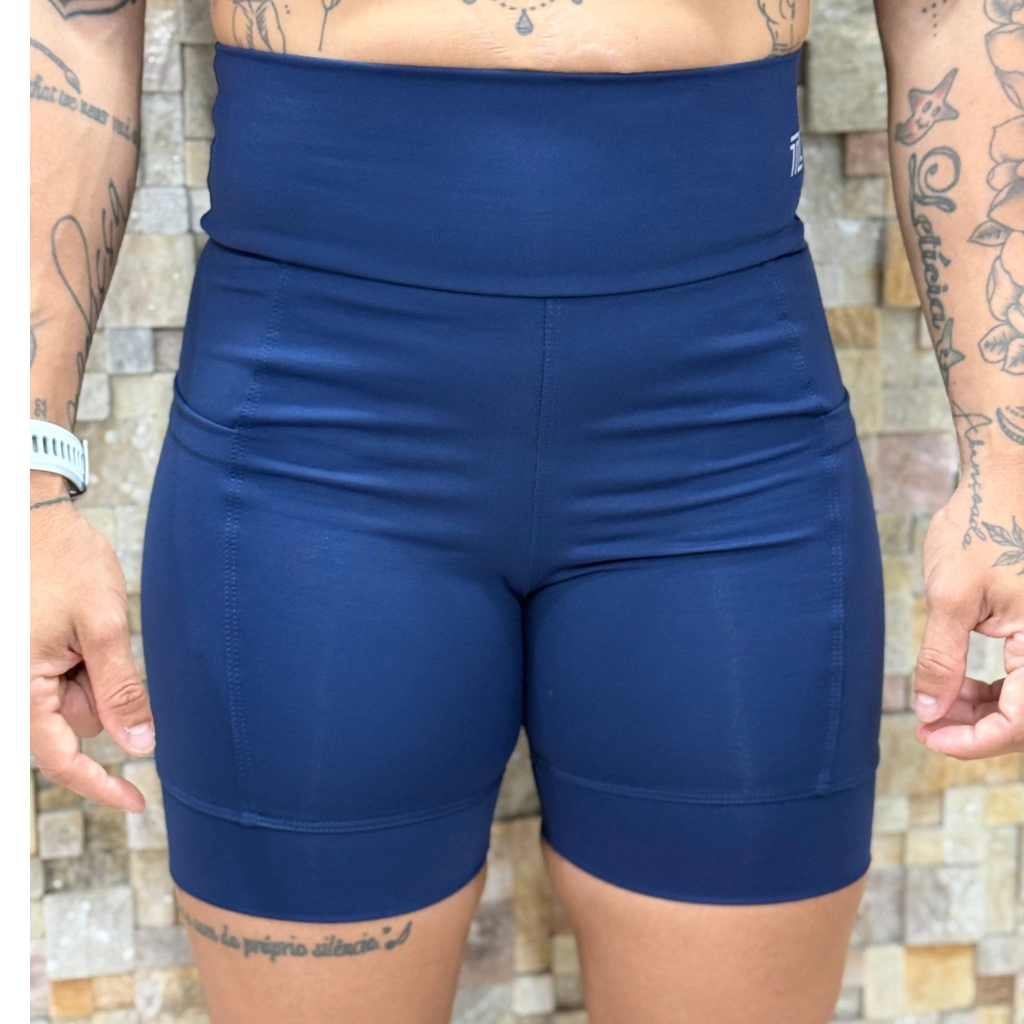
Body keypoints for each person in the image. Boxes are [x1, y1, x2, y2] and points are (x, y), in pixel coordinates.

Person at [29, 0, 1024, 1021]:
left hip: (723, 436)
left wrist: (1008, 468)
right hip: (313, 433)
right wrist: (28, 488)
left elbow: (957, 20)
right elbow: (69, 29)